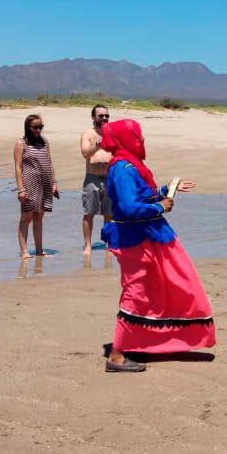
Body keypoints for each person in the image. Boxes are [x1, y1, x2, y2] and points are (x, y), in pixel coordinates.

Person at [100, 119, 213, 373]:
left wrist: (166, 190)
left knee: (148, 289)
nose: (141, 141)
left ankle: (138, 343)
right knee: (136, 292)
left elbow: (141, 198)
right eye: (137, 137)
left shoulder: (129, 166)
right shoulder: (124, 169)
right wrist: (160, 207)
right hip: (134, 238)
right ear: (126, 140)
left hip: (142, 236)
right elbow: (129, 208)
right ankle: (117, 356)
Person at [14, 114, 58, 259]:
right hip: (29, 184)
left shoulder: (45, 142)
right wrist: (21, 189)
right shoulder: (21, 143)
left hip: (45, 184)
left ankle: (39, 250)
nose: (38, 130)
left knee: (39, 216)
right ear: (28, 127)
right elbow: (18, 167)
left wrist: (54, 183)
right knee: (27, 216)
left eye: (40, 127)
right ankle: (24, 251)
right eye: (35, 127)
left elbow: (49, 162)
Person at [80, 104, 114, 263]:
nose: (104, 118)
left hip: (109, 177)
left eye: (107, 116)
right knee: (89, 213)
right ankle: (88, 245)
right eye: (101, 116)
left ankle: (108, 243)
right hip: (92, 177)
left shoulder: (113, 133)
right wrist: (98, 144)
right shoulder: (88, 134)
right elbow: (85, 153)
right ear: (93, 117)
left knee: (109, 213)